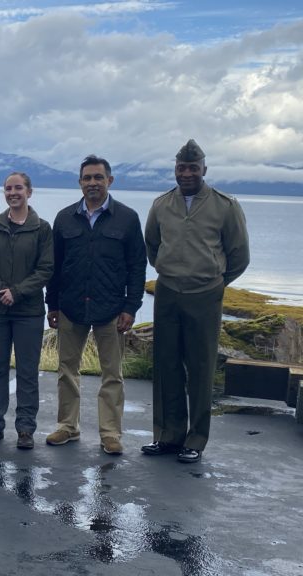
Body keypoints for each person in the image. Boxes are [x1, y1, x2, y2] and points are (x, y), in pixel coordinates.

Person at [142, 140, 250, 463]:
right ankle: (168, 435)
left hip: (206, 295)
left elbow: (239, 255)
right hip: (168, 292)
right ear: (175, 170)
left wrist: (216, 283)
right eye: (181, 168)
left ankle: (196, 439)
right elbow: (152, 246)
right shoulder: (161, 205)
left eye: (193, 168)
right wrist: (170, 271)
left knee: (201, 367)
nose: (186, 173)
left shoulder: (225, 206)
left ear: (204, 169)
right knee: (166, 364)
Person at [45, 155, 146, 455]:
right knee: (67, 370)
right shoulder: (64, 218)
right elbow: (54, 266)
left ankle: (110, 433)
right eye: (87, 178)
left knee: (112, 374)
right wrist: (52, 304)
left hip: (111, 309)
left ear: (109, 181)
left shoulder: (127, 218)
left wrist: (131, 307)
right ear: (79, 182)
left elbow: (137, 266)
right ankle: (67, 426)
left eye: (98, 177)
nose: (92, 183)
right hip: (71, 307)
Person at [0, 172, 54, 450]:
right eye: (8, 188)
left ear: (29, 192)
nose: (13, 193)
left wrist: (17, 292)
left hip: (29, 312)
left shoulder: (42, 229)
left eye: (18, 188)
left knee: (27, 372)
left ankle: (25, 429)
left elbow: (46, 269)